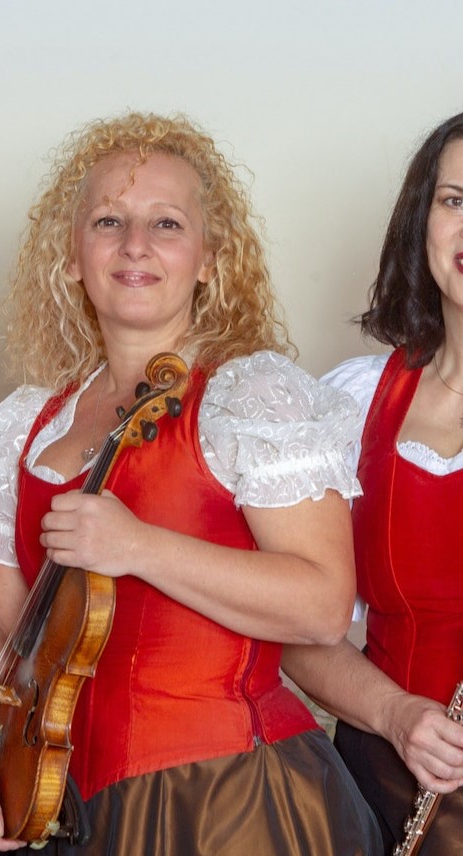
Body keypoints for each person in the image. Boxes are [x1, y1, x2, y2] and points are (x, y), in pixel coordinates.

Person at [0, 113, 383, 854]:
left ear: (209, 259)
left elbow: (321, 607)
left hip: (233, 803)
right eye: (109, 220)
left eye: (166, 223)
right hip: (64, 805)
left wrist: (139, 546)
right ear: (73, 257)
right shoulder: (28, 425)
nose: (135, 245)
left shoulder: (252, 395)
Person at [282, 112, 463, 853]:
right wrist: (394, 714)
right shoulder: (352, 403)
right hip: (386, 787)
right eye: (456, 200)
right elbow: (290, 624)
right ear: (422, 222)